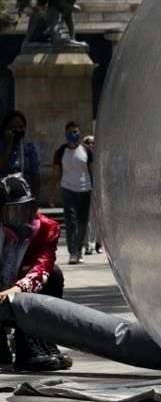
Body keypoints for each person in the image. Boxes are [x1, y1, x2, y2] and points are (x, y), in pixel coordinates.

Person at [0, 174, 72, 371]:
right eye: (14, 211)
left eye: (27, 209)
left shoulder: (46, 228)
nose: (23, 217)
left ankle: (33, 345)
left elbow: (43, 266)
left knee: (54, 275)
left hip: (23, 294)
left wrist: (17, 289)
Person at [49, 121, 94, 264]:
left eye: (75, 131)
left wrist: (97, 190)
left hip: (85, 190)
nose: (72, 134)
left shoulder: (86, 151)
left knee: (82, 222)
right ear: (65, 134)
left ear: (79, 133)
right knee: (71, 223)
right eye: (70, 132)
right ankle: (72, 253)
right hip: (67, 189)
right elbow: (55, 174)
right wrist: (51, 194)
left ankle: (79, 250)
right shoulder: (60, 152)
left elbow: (92, 171)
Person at [0, 111, 40, 192]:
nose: (17, 130)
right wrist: (9, 145)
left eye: (21, 127)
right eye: (13, 127)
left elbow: (36, 175)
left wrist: (35, 198)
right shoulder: (2, 146)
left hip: (24, 197)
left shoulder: (31, 148)